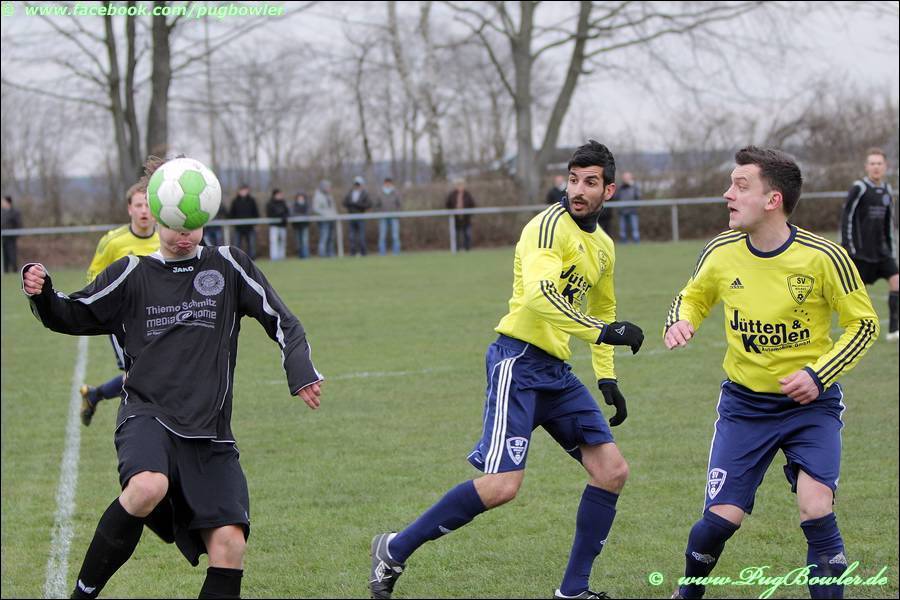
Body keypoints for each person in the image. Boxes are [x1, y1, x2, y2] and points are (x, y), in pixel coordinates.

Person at [21, 157, 324, 600]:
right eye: (176, 226)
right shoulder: (132, 273)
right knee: (148, 485)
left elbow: (283, 321)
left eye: (193, 227)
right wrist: (44, 294)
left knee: (230, 546)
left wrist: (300, 370)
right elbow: (73, 313)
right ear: (158, 218)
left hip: (210, 431)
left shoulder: (228, 265)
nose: (185, 235)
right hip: (148, 414)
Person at [370, 141, 645, 600]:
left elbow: (604, 308)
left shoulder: (603, 246)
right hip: (518, 362)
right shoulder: (546, 227)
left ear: (609, 190)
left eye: (590, 182)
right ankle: (393, 549)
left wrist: (607, 376)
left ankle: (573, 590)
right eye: (573, 180)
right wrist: (602, 333)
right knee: (502, 486)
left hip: (556, 372)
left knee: (612, 471)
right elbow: (541, 296)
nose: (578, 190)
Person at [664, 146, 879, 600]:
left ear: (772, 199)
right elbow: (692, 295)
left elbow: (864, 325)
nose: (728, 194)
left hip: (811, 407)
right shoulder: (721, 250)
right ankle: (687, 593)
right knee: (720, 521)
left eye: (740, 186)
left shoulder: (824, 257)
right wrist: (681, 319)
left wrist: (818, 375)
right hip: (745, 407)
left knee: (816, 507)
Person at [79, 182, 160, 427]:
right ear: (129, 209)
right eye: (139, 205)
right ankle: (141, 422)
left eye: (148, 205)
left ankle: (95, 395)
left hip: (159, 315)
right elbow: (93, 276)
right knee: (140, 373)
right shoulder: (113, 241)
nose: (144, 210)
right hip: (122, 321)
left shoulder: (165, 238)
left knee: (151, 371)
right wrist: (110, 305)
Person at [841, 147, 898, 342]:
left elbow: (889, 222)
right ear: (866, 167)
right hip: (861, 253)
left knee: (896, 282)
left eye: (879, 163)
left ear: (885, 166)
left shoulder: (887, 190)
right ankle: (858, 331)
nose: (876, 167)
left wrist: (891, 249)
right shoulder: (859, 188)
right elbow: (847, 217)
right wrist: (848, 247)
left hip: (882, 252)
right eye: (872, 163)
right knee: (857, 296)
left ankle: (894, 330)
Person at [228, 184, 259, 259]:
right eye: (242, 190)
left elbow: (256, 213)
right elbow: (231, 214)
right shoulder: (235, 201)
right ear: (239, 191)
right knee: (236, 245)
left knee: (251, 245)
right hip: (238, 228)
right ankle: (236, 258)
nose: (243, 192)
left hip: (250, 227)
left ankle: (252, 259)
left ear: (248, 191)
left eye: (245, 190)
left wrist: (255, 224)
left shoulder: (252, 201)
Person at [445, 179, 476, 251]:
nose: (460, 186)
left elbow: (472, 204)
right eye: (458, 185)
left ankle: (467, 249)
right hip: (455, 219)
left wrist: (469, 213)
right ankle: (456, 249)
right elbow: (448, 204)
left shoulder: (467, 194)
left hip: (466, 219)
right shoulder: (452, 194)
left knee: (467, 234)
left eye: (461, 185)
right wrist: (452, 212)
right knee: (455, 235)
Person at [344, 176, 371, 256]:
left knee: (361, 237)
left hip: (360, 217)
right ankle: (353, 253)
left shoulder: (365, 193)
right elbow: (344, 202)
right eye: (356, 184)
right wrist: (351, 204)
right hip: (351, 217)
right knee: (351, 236)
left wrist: (358, 205)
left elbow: (368, 204)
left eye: (358, 184)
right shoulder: (350, 193)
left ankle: (363, 252)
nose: (357, 186)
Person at [374, 177, 402, 255]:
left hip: (394, 217)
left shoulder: (396, 192)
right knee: (382, 236)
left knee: (395, 236)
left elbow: (399, 204)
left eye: (389, 183)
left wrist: (397, 213)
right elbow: (376, 205)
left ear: (391, 183)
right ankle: (382, 253)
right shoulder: (380, 193)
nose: (388, 184)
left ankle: (396, 253)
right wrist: (380, 213)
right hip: (383, 217)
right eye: (386, 183)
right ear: (384, 183)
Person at [613, 171, 640, 244]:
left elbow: (638, 196)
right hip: (622, 211)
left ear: (631, 178)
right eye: (625, 178)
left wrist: (632, 186)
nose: (626, 179)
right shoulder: (620, 187)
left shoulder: (635, 186)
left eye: (627, 177)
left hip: (632, 210)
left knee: (634, 227)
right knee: (622, 228)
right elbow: (615, 197)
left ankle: (636, 241)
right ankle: (623, 241)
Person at [313, 180, 337, 258]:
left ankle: (330, 253)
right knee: (324, 237)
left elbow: (333, 208)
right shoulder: (318, 196)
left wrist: (334, 215)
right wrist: (326, 214)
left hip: (331, 219)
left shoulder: (329, 196)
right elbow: (316, 209)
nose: (329, 188)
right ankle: (322, 254)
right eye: (327, 187)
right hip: (323, 221)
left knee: (331, 238)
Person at [266, 188, 289, 261]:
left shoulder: (283, 203)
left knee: (282, 241)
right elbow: (270, 214)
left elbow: (287, 212)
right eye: (278, 194)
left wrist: (284, 216)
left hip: (282, 225)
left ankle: (282, 256)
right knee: (274, 242)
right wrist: (280, 214)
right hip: (274, 225)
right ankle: (274, 257)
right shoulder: (270, 203)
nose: (280, 196)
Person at [1, 195, 23, 273]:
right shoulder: (2, 212)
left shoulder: (15, 212)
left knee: (12, 255)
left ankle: (14, 270)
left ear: (8, 202)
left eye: (3, 201)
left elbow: (19, 224)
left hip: (11, 238)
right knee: (4, 256)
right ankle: (5, 271)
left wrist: (16, 235)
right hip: (3, 238)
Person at [291, 192, 311, 259]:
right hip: (297, 225)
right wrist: (301, 215)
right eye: (299, 197)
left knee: (305, 241)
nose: (300, 198)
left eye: (302, 197)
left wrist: (300, 215)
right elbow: (293, 213)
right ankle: (300, 255)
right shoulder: (294, 205)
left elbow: (308, 213)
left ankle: (306, 255)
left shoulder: (306, 205)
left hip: (304, 225)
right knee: (298, 241)